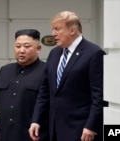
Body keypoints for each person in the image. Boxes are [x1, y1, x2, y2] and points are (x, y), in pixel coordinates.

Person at [29, 11, 105, 141]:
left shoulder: (94, 53)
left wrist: (91, 126)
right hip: (55, 129)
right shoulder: (54, 53)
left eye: (58, 29)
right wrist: (36, 120)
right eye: (53, 29)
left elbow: (99, 95)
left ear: (72, 30)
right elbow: (45, 91)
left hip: (81, 130)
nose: (53, 34)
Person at [0, 29, 49, 141]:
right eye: (18, 46)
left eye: (27, 46)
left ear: (38, 49)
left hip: (33, 136)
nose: (21, 50)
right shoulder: (5, 71)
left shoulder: (47, 71)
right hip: (5, 135)